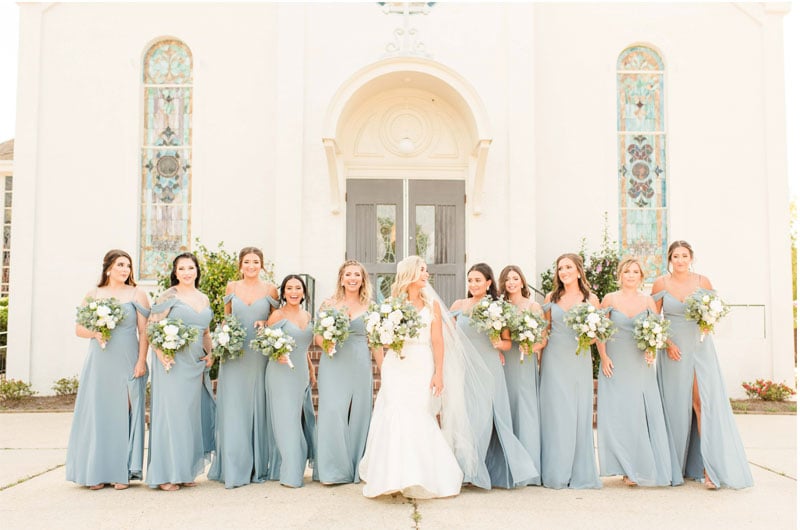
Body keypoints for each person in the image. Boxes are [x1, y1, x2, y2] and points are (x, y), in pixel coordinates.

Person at [359, 256, 464, 498]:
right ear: (410, 274)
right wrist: (386, 358)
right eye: (423, 270)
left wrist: (438, 373)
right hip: (397, 364)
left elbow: (437, 341)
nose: (427, 275)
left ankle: (420, 475)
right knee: (394, 413)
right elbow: (379, 339)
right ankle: (393, 477)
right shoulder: (392, 303)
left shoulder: (432, 307)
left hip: (421, 363)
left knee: (419, 414)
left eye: (427, 270)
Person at [651, 241, 753, 489]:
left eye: (684, 256)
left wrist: (707, 324)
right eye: (676, 256)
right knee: (675, 407)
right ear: (669, 259)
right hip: (673, 351)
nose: (680, 260)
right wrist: (666, 343)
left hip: (699, 349)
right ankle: (672, 466)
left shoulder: (703, 282)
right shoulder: (660, 284)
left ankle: (710, 469)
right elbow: (653, 319)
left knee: (701, 404)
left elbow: (714, 313)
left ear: (691, 258)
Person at [66, 249, 150, 490]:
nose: (125, 269)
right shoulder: (94, 294)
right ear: (108, 268)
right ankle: (96, 471)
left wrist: (141, 361)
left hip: (127, 359)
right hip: (99, 361)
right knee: (99, 413)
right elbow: (79, 329)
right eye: (120, 265)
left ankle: (119, 472)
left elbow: (144, 332)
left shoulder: (137, 294)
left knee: (122, 414)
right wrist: (96, 332)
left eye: (128, 266)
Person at [450, 263, 538, 489]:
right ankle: (463, 469)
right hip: (464, 370)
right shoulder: (458, 305)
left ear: (489, 283)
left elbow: (508, 342)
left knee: (483, 419)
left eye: (478, 280)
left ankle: (475, 471)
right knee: (465, 418)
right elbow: (446, 336)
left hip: (489, 368)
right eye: (470, 280)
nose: (473, 284)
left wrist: (500, 344)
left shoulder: (497, 307)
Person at [597, 257, 682, 487]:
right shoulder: (609, 299)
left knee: (637, 414)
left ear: (641, 276)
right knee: (617, 415)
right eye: (627, 271)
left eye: (635, 271)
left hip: (639, 363)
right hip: (614, 362)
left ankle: (634, 467)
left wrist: (652, 351)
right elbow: (599, 331)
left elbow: (657, 331)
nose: (631, 275)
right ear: (620, 275)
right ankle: (623, 465)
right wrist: (604, 357)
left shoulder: (647, 301)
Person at [208, 247, 279, 488]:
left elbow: (276, 319)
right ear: (240, 265)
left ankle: (257, 465)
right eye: (247, 261)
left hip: (259, 356)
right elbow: (226, 319)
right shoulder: (232, 287)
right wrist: (223, 340)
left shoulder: (270, 289)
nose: (251, 265)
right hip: (234, 356)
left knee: (257, 405)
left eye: (256, 261)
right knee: (234, 407)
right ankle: (233, 465)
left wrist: (265, 324)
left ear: (262, 265)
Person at [146, 252, 215, 491]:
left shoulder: (203, 298)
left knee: (190, 417)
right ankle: (166, 474)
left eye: (191, 268)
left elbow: (205, 332)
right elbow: (151, 328)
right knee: (172, 416)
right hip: (172, 363)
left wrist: (211, 354)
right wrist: (160, 354)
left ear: (197, 271)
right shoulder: (169, 296)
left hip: (195, 364)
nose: (187, 272)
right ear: (175, 273)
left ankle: (184, 470)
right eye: (182, 268)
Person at [540, 253, 602, 489]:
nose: (563, 271)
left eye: (568, 267)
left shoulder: (591, 299)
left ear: (578, 270)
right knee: (555, 413)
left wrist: (590, 332)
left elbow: (597, 335)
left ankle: (579, 471)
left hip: (579, 359)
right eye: (560, 268)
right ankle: (556, 471)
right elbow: (545, 332)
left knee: (577, 414)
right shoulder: (551, 298)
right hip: (554, 360)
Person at [313, 260, 374, 485]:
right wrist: (325, 344)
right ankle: (332, 470)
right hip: (334, 361)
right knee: (332, 411)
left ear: (362, 279)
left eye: (357, 275)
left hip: (359, 362)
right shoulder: (329, 305)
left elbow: (375, 342)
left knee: (360, 413)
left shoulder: (370, 306)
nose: (352, 278)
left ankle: (357, 467)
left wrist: (384, 367)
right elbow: (317, 335)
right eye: (348, 274)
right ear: (341, 278)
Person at [265, 275, 316, 488]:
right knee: (286, 422)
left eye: (298, 288)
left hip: (301, 373)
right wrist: (276, 354)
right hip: (280, 373)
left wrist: (312, 369)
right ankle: (291, 473)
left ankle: (286, 467)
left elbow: (303, 348)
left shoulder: (307, 314)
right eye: (289, 288)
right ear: (283, 292)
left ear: (304, 292)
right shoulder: (277, 315)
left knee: (297, 420)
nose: (294, 292)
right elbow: (267, 344)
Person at [497, 265, 544, 486]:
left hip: (525, 363)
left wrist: (532, 347)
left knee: (525, 411)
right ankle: (507, 464)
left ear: (523, 282)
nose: (511, 282)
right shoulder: (498, 307)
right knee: (506, 407)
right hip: (506, 362)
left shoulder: (533, 307)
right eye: (507, 279)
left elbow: (543, 339)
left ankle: (529, 467)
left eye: (515, 278)